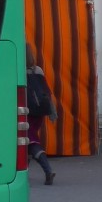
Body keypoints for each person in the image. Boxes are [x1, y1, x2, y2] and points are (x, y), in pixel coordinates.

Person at [26, 44, 58, 185]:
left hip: (25, 111)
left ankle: (48, 170)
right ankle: (23, 173)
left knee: (30, 140)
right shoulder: (38, 70)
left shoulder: (17, 70)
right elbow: (46, 92)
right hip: (39, 112)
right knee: (26, 141)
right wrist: (52, 111)